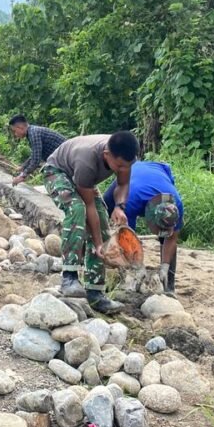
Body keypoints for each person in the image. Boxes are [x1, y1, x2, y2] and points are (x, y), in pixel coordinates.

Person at [43, 131, 139, 313]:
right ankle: (69, 277)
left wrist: (119, 206)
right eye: (119, 166)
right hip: (57, 172)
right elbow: (88, 206)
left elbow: (122, 184)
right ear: (106, 155)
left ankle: (95, 293)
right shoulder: (86, 160)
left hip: (81, 178)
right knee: (77, 209)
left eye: (126, 166)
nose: (122, 170)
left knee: (102, 222)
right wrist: (98, 243)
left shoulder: (124, 157)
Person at [103, 160, 183, 296]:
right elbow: (128, 237)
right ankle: (107, 273)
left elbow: (172, 237)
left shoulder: (176, 206)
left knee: (166, 236)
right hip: (130, 175)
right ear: (150, 214)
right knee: (103, 211)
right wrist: (138, 266)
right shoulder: (130, 201)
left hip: (159, 172)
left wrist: (165, 267)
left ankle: (169, 285)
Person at [8, 115, 67, 185]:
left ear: (20, 127)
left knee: (50, 174)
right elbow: (35, 154)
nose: (15, 134)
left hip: (67, 158)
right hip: (64, 159)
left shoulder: (34, 133)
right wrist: (23, 167)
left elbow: (36, 159)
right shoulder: (32, 132)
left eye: (14, 131)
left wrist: (22, 176)